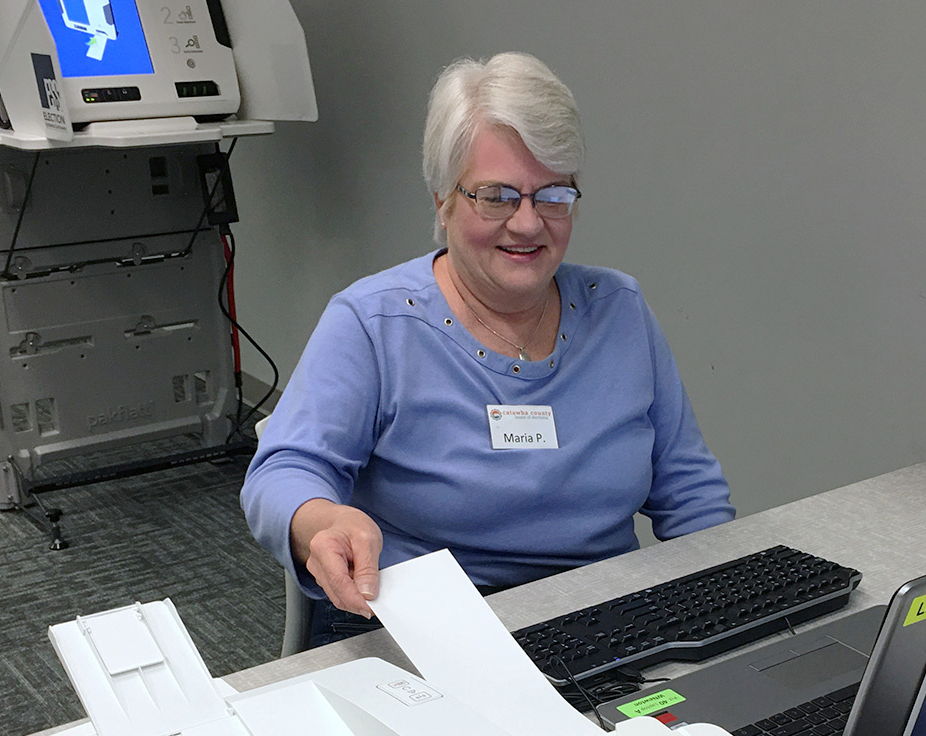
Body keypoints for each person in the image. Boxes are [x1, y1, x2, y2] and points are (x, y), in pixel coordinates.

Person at [241, 51, 734, 646]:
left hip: (608, 621)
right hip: (427, 627)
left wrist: (725, 611)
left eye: (552, 194)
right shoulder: (373, 323)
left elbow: (690, 491)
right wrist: (319, 520)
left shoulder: (619, 311)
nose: (527, 224)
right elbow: (284, 472)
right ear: (442, 201)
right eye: (496, 196)